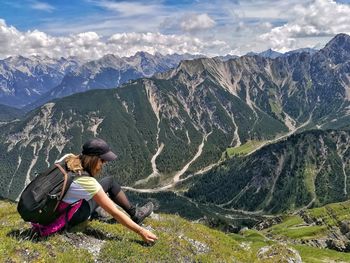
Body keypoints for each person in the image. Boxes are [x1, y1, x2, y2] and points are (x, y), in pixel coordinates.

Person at [35, 138, 157, 243]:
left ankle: (97, 212)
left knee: (103, 186)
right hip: (67, 218)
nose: (104, 164)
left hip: (47, 215)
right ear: (93, 159)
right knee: (109, 182)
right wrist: (141, 231)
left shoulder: (67, 160)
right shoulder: (86, 181)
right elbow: (115, 213)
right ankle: (136, 214)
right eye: (102, 160)